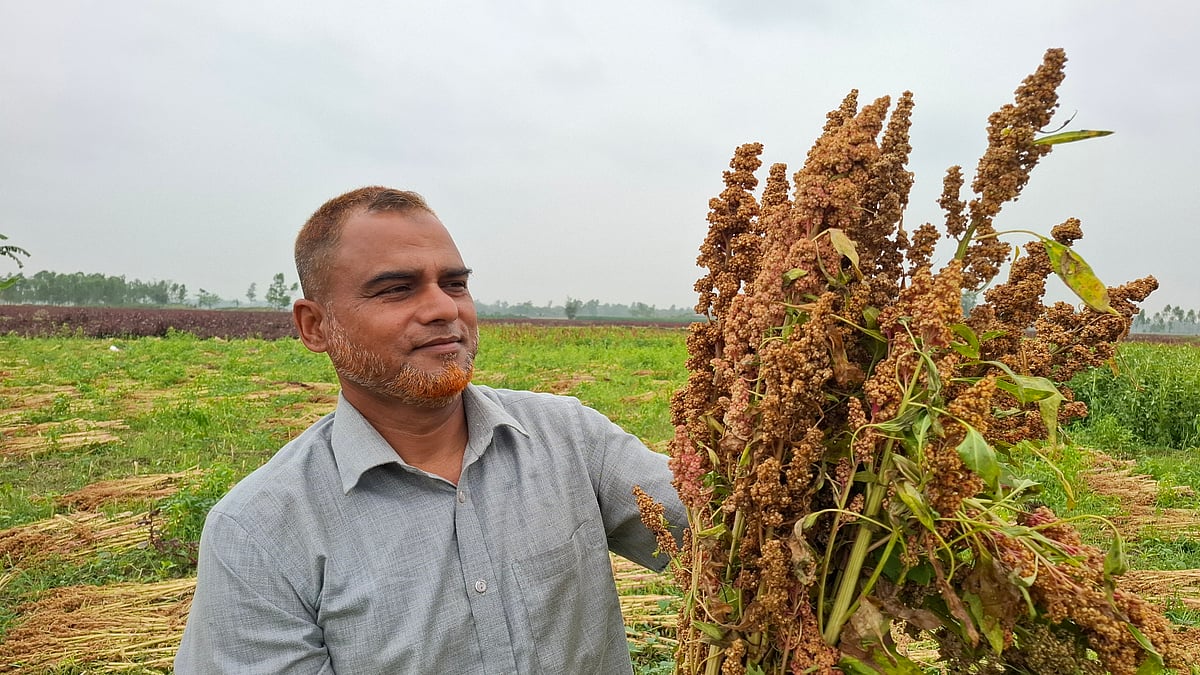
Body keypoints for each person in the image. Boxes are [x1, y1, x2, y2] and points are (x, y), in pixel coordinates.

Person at [174, 186, 686, 674]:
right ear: (315, 326)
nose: (444, 309)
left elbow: (728, 532)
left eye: (455, 283)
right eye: (396, 289)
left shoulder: (571, 438)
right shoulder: (260, 531)